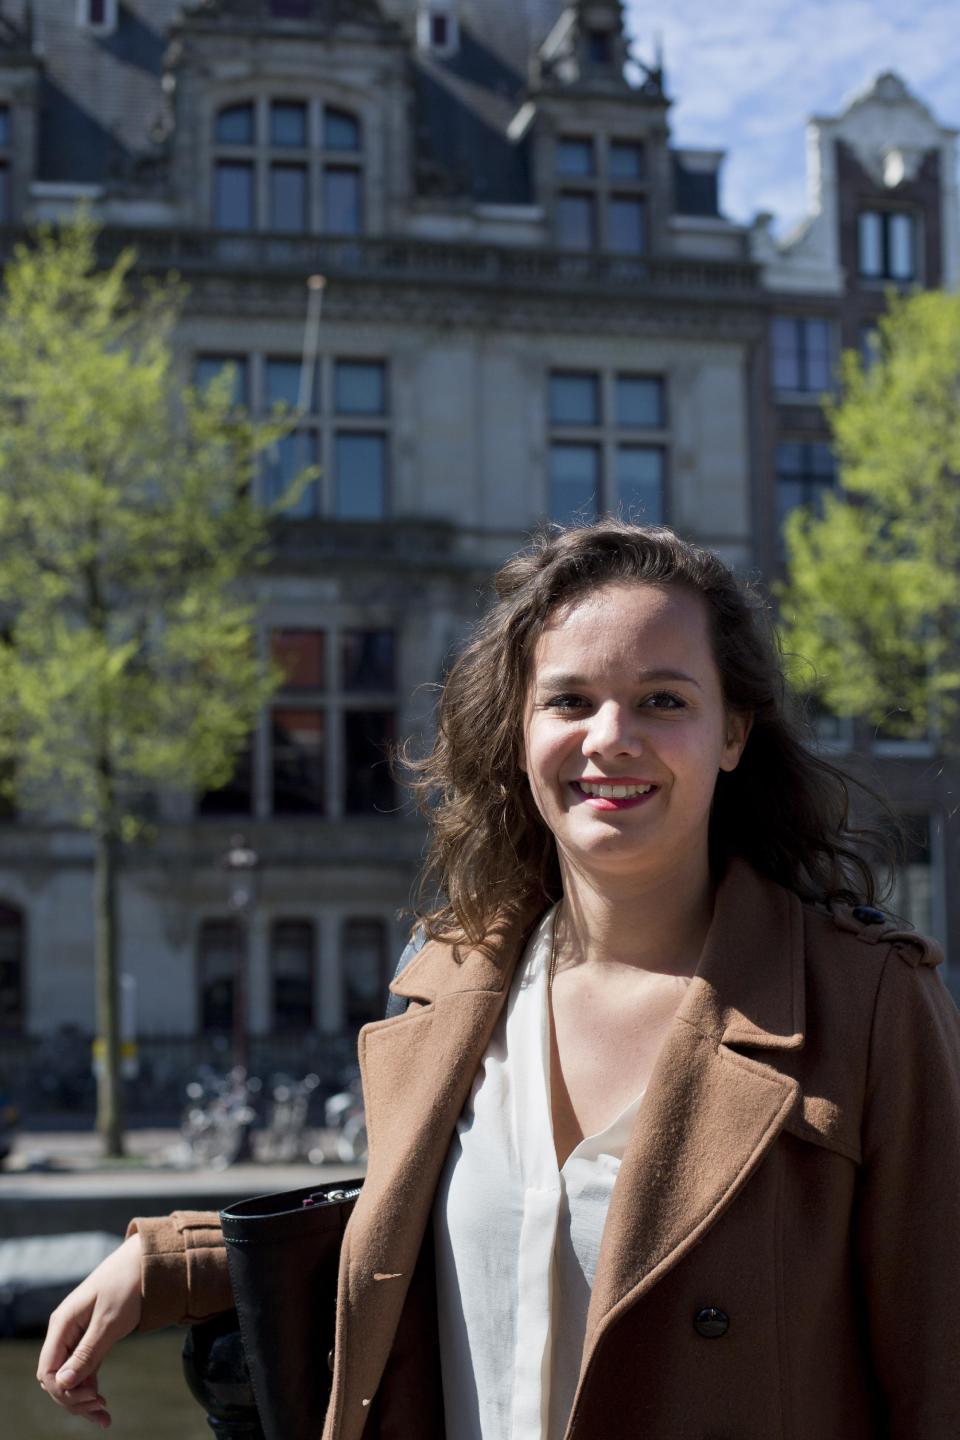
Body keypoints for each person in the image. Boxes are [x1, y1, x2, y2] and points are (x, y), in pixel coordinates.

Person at [38, 522, 960, 1437]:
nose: (611, 738)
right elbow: (407, 1235)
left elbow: (937, 1369)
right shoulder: (449, 982)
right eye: (568, 701)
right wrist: (181, 1259)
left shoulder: (866, 1004)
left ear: (734, 732)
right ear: (519, 731)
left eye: (664, 701)